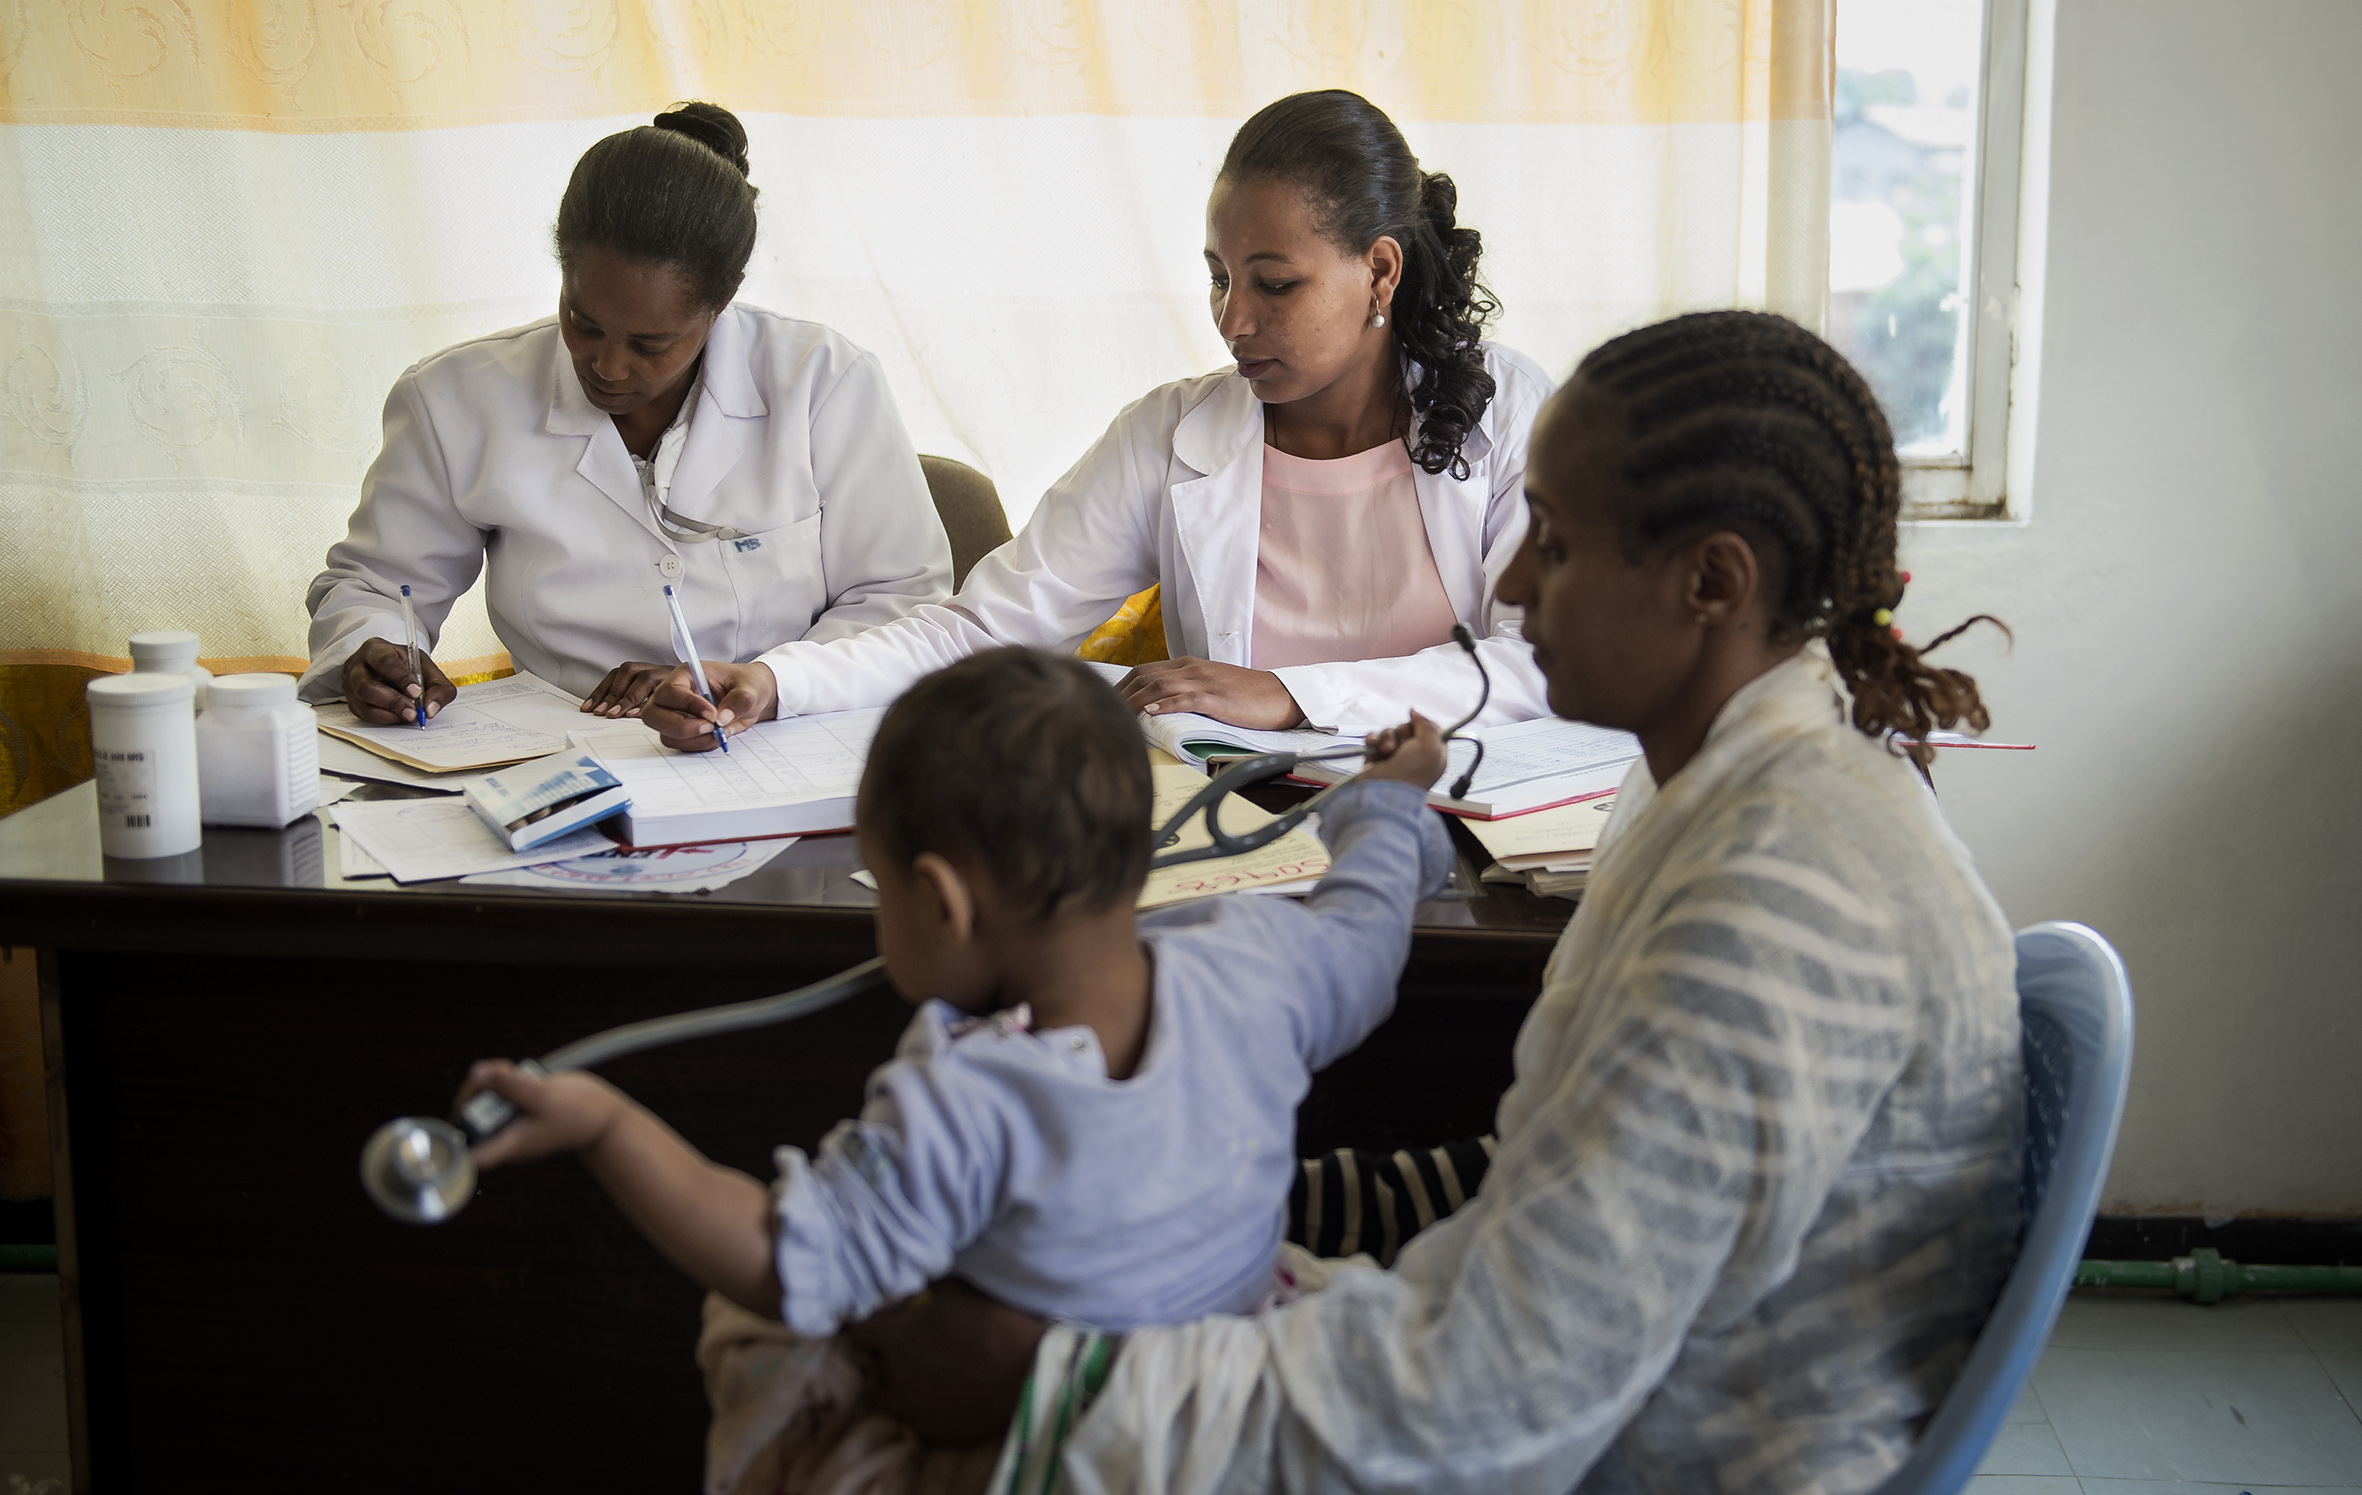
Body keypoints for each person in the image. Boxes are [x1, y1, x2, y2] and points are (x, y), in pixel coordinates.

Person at [857, 311, 2028, 1494]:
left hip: (1657, 1456)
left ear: (1712, 581)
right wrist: (1181, 1187)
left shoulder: (1779, 900)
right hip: (1587, 1390)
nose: (1511, 584)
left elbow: (1487, 1398)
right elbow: (1551, 1182)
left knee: (865, 1440)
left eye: (1555, 547)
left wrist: (1066, 1378)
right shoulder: (1730, 778)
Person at [453, 648, 1454, 1493]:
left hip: (1053, 1452)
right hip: (1226, 1418)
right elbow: (1364, 928)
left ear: (942, 900)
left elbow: (781, 1261)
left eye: (883, 889)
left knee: (748, 1331)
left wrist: (603, 1125)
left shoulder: (969, 1094)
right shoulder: (1258, 961)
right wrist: (1384, 810)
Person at [639, 90, 1554, 753]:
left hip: (1451, 815)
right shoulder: (1172, 433)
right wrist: (776, 680)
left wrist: (1287, 693)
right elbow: (979, 629)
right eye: (1218, 277)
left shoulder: (1512, 417)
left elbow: (1538, 666)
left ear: (1380, 274)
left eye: (1275, 284)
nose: (1233, 320)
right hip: (1230, 823)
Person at [301, 102, 950, 721]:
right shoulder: (456, 400)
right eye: (583, 324)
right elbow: (378, 588)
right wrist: (376, 652)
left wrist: (762, 682)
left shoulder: (823, 382)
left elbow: (901, 601)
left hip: (784, 742)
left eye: (650, 344)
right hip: (567, 749)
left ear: (722, 301)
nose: (608, 367)